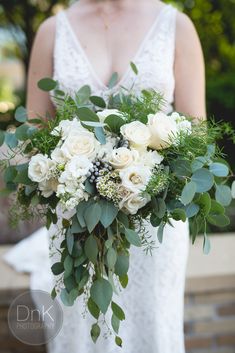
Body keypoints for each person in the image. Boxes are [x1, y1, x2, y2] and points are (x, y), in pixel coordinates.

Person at [20, 0, 207, 352]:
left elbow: (196, 139)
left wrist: (148, 171)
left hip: (154, 223)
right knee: (80, 328)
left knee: (152, 326)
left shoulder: (176, 26)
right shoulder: (52, 32)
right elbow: (34, 136)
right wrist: (70, 167)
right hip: (77, 224)